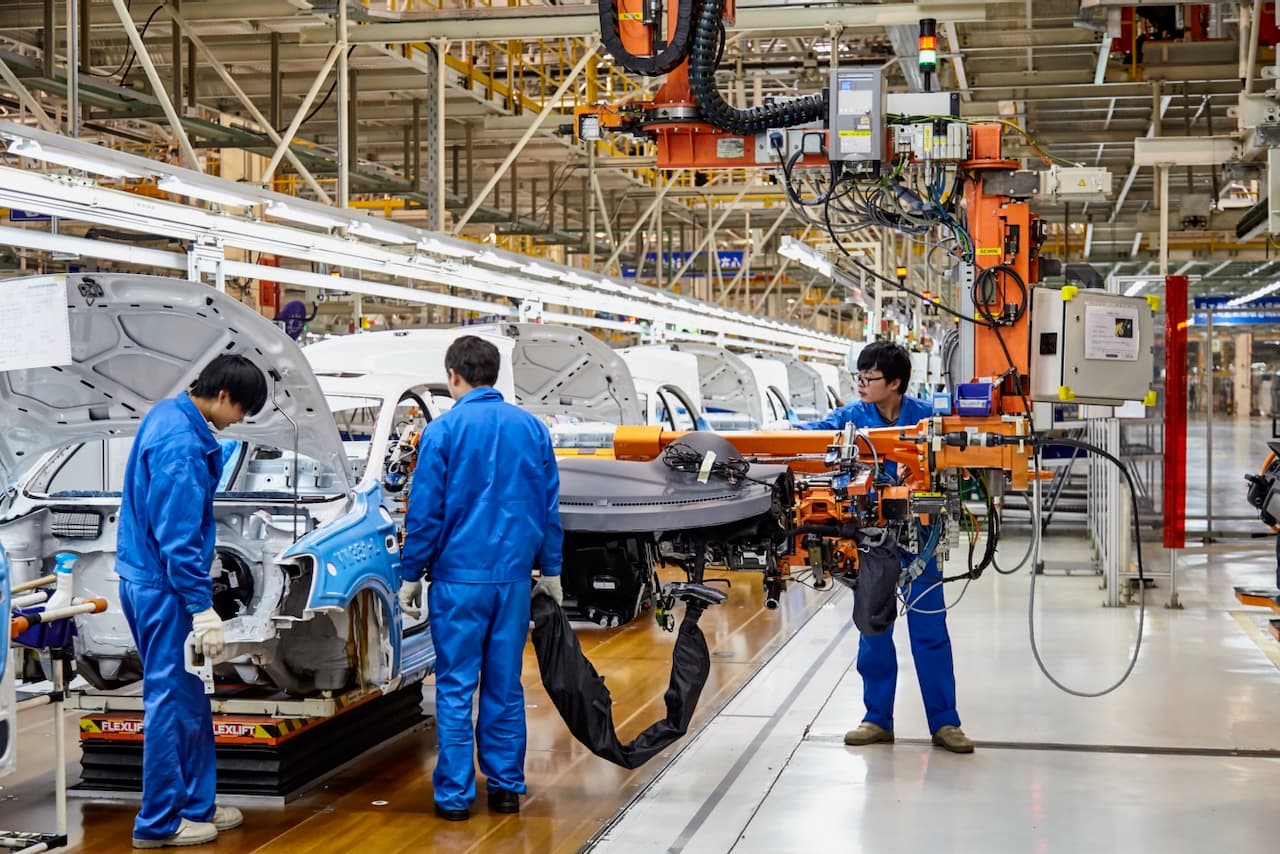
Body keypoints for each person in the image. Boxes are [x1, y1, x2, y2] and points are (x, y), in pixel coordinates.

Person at [767, 341, 972, 754]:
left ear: (894, 383)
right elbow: (813, 436)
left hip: (921, 538)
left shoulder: (927, 418)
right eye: (858, 377)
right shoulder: (850, 419)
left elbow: (959, 468)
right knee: (873, 627)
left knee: (929, 631)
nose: (860, 384)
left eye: (869, 378)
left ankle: (945, 722)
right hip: (871, 542)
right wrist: (780, 433)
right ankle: (877, 718)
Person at [398, 335, 563, 821]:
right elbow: (548, 506)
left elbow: (425, 512)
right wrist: (551, 568)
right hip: (512, 582)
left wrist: (410, 574)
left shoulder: (443, 432)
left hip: (457, 582)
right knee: (505, 685)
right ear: (494, 375)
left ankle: (454, 799)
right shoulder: (531, 429)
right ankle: (507, 788)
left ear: (453, 376)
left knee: (454, 687)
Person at [116, 354, 268, 848]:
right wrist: (200, 605)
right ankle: (158, 823)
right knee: (169, 699)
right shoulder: (181, 446)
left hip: (150, 578)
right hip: (165, 590)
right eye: (242, 410)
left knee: (192, 694)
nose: (240, 421)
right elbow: (178, 538)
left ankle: (195, 804)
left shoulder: (171, 414)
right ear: (223, 396)